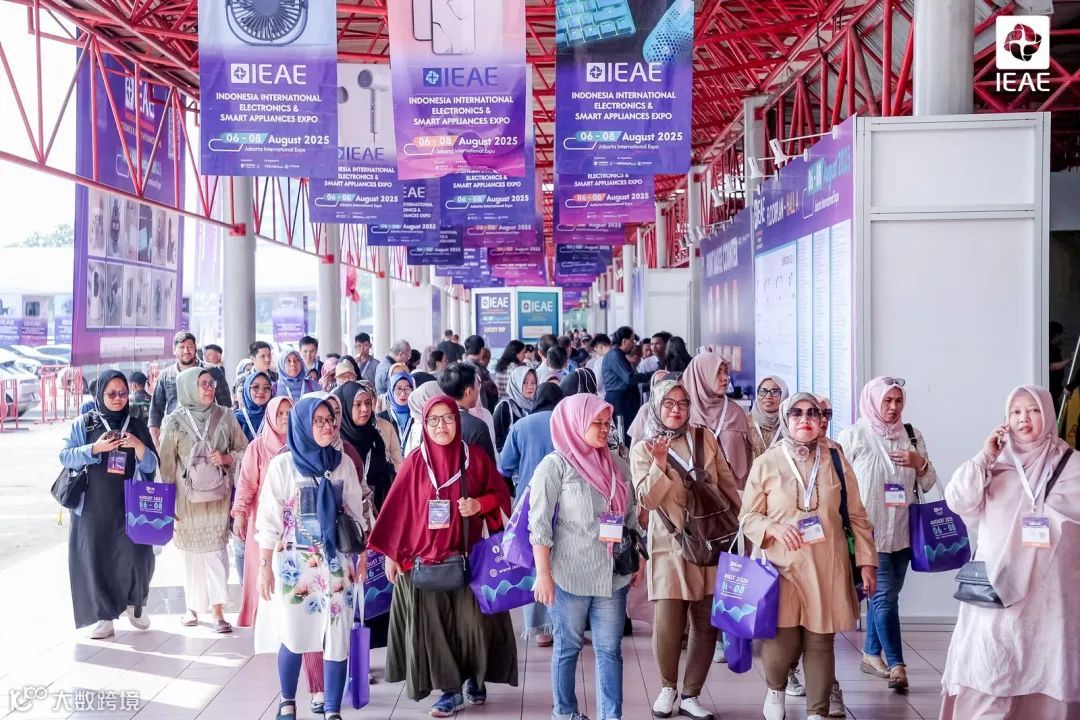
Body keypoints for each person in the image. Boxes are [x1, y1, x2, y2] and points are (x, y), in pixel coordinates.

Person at [367, 394, 517, 716]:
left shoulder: (474, 458)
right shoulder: (415, 462)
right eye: (433, 420)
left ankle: (475, 678)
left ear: (457, 420)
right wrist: (392, 554)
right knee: (436, 629)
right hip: (424, 561)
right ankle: (450, 690)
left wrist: (479, 505)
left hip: (469, 558)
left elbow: (501, 496)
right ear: (424, 423)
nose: (441, 426)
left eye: (447, 418)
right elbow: (398, 510)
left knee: (474, 625)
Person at [940, 385, 1080, 719]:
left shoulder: (1070, 464)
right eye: (1016, 412)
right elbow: (958, 499)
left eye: (1033, 410)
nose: (1023, 419)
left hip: (1048, 591)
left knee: (1044, 661)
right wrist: (984, 456)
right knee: (992, 663)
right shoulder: (995, 464)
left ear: (1048, 414)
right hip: (997, 585)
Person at [740, 392, 877, 720]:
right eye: (797, 413)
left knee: (820, 640)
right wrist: (772, 527)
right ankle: (776, 688)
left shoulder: (836, 459)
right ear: (786, 419)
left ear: (821, 420)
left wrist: (867, 562)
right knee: (783, 639)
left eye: (812, 413)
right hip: (781, 568)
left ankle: (817, 711)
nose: (805, 419)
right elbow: (747, 518)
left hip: (827, 565)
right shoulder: (767, 462)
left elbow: (857, 515)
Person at [254, 396, 371, 720]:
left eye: (330, 420)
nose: (327, 426)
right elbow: (268, 521)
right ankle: (287, 700)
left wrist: (362, 556)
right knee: (294, 635)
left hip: (337, 566)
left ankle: (332, 709)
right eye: (318, 421)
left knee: (337, 637)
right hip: (295, 568)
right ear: (303, 424)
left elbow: (356, 514)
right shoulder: (283, 466)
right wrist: (264, 567)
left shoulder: (342, 463)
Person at [530, 393, 645, 720]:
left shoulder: (616, 463)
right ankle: (565, 713)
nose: (604, 429)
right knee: (568, 648)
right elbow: (538, 525)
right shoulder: (555, 466)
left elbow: (630, 515)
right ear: (575, 423)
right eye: (597, 423)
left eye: (607, 423)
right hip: (570, 574)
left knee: (610, 650)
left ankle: (611, 715)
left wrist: (639, 555)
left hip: (612, 575)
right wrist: (543, 574)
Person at [631, 379, 741, 720]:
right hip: (670, 544)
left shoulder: (703, 438)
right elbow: (647, 499)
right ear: (656, 406)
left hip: (709, 541)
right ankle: (667, 688)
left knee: (705, 622)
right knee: (668, 621)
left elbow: (727, 485)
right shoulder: (644, 447)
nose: (676, 410)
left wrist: (741, 531)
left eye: (682, 403)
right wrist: (659, 463)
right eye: (668, 403)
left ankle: (692, 694)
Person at [839, 377, 937, 692]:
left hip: (904, 532)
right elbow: (838, 485)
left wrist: (919, 463)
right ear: (873, 400)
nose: (893, 407)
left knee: (888, 597)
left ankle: (871, 654)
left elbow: (927, 483)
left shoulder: (911, 434)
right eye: (887, 401)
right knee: (882, 598)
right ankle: (897, 665)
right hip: (870, 532)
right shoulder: (854, 436)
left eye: (898, 401)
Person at [60, 370, 158, 639]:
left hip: (131, 504)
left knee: (139, 557)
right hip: (93, 506)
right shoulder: (85, 423)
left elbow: (151, 465)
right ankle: (104, 617)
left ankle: (135, 604)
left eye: (123, 393)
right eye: (111, 393)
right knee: (97, 559)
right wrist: (95, 449)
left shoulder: (135, 423)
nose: (118, 398)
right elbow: (65, 456)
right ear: (100, 394)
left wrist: (138, 446)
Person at [158, 367, 249, 633]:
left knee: (216, 553)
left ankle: (218, 610)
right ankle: (193, 607)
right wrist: (167, 503)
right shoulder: (173, 421)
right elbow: (166, 465)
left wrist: (226, 458)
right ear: (188, 387)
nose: (210, 389)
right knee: (190, 555)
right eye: (203, 384)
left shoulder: (226, 416)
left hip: (217, 498)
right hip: (186, 502)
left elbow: (245, 450)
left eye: (211, 383)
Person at [497, 382, 564, 647]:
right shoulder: (566, 423)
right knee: (564, 560)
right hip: (566, 500)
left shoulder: (521, 426)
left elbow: (505, 466)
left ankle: (540, 630)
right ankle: (565, 623)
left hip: (529, 502)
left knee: (535, 563)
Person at [233, 395, 292, 628]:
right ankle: (262, 619)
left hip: (292, 520)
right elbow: (246, 483)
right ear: (270, 417)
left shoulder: (300, 444)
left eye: (289, 413)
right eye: (280, 413)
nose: (285, 418)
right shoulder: (257, 446)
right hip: (263, 519)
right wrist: (240, 514)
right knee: (263, 564)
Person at [682, 353, 753, 488]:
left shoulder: (735, 414)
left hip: (732, 492)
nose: (725, 378)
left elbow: (746, 462)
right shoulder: (683, 414)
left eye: (725, 372)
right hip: (692, 492)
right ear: (701, 376)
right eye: (717, 372)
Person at [149, 331, 232, 445]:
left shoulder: (212, 371)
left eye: (190, 346)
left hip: (208, 437)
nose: (186, 351)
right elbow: (155, 413)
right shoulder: (166, 376)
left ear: (195, 348)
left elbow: (226, 406)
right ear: (174, 350)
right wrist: (158, 446)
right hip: (175, 437)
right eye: (182, 347)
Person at [603, 326, 655, 445]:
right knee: (624, 435)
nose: (633, 344)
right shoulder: (615, 355)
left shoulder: (617, 354)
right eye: (632, 341)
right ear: (624, 341)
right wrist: (652, 374)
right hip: (621, 401)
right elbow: (629, 377)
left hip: (624, 399)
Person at [438, 363, 497, 462]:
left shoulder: (432, 422)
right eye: (477, 386)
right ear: (468, 391)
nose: (478, 390)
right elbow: (488, 466)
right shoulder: (477, 427)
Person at [492, 366, 536, 452]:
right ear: (516, 383)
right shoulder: (504, 406)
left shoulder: (536, 405)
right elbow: (497, 441)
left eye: (533, 382)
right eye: (525, 382)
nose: (530, 386)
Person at [748, 376, 791, 460]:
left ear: (784, 395)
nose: (768, 396)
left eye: (774, 391)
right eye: (763, 391)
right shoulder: (744, 423)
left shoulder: (790, 424)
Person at [380, 372, 415, 455]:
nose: (403, 394)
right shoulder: (381, 418)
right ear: (391, 391)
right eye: (399, 389)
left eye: (407, 389)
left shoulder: (417, 416)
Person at [463, 335, 499, 413]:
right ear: (482, 350)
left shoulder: (460, 367)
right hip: (478, 411)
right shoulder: (477, 370)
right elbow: (481, 396)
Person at [234, 371, 273, 442]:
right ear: (247, 390)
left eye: (266, 388)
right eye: (256, 387)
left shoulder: (274, 416)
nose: (261, 391)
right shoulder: (236, 418)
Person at [1050, 321, 1070, 412]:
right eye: (1061, 334)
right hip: (1051, 390)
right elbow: (1050, 367)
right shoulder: (1050, 349)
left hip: (1055, 391)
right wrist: (1068, 361)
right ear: (1055, 334)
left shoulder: (1055, 349)